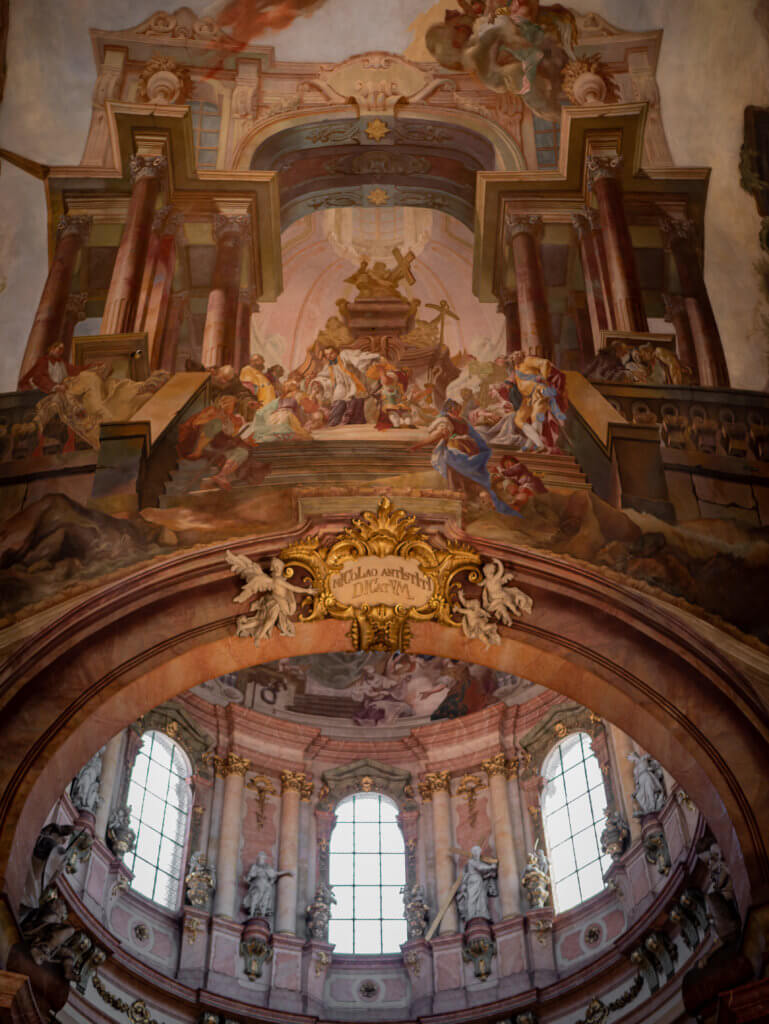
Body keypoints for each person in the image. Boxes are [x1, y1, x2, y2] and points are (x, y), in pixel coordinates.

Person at [413, 399, 519, 515]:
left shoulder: (460, 420)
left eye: (458, 408)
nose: (458, 410)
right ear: (450, 408)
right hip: (458, 451)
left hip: (465, 451)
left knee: (468, 475)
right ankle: (462, 500)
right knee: (460, 475)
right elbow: (438, 434)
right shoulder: (446, 420)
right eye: (456, 408)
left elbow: (474, 435)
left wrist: (483, 449)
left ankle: (471, 498)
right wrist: (420, 444)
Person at [311, 345, 378, 427]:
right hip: (341, 385)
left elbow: (357, 358)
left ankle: (353, 423)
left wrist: (371, 359)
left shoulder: (344, 355)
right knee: (337, 400)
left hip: (353, 383)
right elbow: (324, 376)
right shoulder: (329, 365)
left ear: (336, 352)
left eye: (331, 353)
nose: (329, 356)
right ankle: (334, 422)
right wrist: (318, 383)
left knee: (355, 401)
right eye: (327, 354)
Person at [243, 852, 291, 921]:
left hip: (265, 886)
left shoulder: (267, 868)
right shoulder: (255, 867)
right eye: (259, 858)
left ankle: (262, 916)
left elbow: (276, 873)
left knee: (265, 900)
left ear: (264, 859)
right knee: (254, 898)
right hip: (257, 884)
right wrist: (247, 879)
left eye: (262, 858)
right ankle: (251, 914)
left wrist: (287, 872)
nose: (260, 859)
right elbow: (250, 875)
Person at [456, 846, 498, 922]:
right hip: (473, 881)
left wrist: (490, 873)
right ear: (474, 853)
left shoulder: (476, 862)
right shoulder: (471, 862)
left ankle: (482, 914)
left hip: (479, 881)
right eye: (477, 852)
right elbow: (480, 868)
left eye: (479, 852)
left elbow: (482, 872)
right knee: (473, 898)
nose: (478, 854)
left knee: (481, 898)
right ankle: (471, 915)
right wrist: (491, 867)